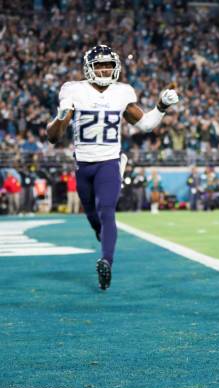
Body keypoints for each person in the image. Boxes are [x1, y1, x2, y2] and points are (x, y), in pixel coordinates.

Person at [46, 45, 179, 290]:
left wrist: (161, 105)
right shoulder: (73, 90)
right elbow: (53, 137)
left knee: (107, 209)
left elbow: (146, 124)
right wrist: (59, 117)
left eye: (108, 64)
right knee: (93, 217)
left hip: (109, 161)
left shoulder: (122, 92)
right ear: (89, 68)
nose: (105, 69)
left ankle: (106, 261)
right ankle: (102, 235)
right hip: (83, 164)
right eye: (100, 65)